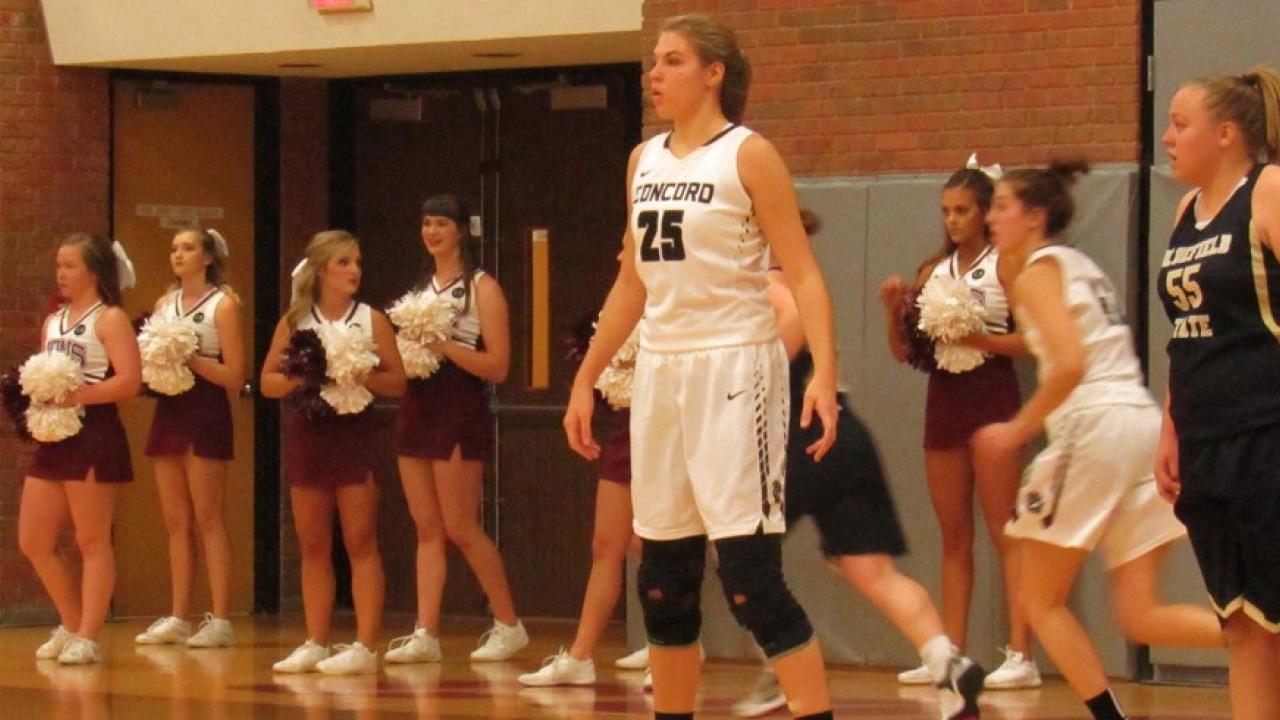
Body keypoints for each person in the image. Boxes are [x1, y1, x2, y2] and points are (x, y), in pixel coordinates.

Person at [563, 13, 840, 720]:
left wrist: (825, 375)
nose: (654, 74)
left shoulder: (749, 154)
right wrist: (586, 377)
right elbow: (632, 282)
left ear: (714, 73)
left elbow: (805, 274)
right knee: (662, 580)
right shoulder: (643, 160)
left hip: (735, 368)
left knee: (750, 582)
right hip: (661, 369)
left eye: (672, 61)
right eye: (654, 61)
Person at [976, 161, 1224, 720]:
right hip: (1139, 425)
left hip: (1093, 427)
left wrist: (1017, 427)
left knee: (1038, 600)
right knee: (1140, 616)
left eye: (1002, 205)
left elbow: (1068, 362)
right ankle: (1262, 639)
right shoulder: (1079, 265)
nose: (991, 216)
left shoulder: (1039, 271)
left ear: (1035, 216)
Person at [731, 213, 984, 720]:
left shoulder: (770, 284)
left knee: (737, 557)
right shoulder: (802, 285)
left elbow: (790, 323)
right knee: (872, 571)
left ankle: (781, 665)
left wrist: (747, 377)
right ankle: (947, 663)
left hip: (799, 438)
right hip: (847, 438)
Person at [878, 163, 1036, 689]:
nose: (952, 219)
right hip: (944, 400)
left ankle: (1022, 655)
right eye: (946, 211)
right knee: (953, 535)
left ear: (985, 213)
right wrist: (892, 311)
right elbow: (905, 354)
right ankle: (950, 654)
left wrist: (977, 339)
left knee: (1006, 530)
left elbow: (1033, 341)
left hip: (992, 396)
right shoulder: (932, 271)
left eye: (962, 210)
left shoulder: (1006, 265)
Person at [1156, 67, 1280, 720]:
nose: (1168, 138)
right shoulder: (1186, 213)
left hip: (1267, 433)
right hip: (1207, 442)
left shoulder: (1268, 191)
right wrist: (1170, 426)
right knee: (1241, 622)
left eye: (1181, 124)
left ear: (1227, 133)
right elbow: (1184, 334)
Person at [383, 194, 527, 664]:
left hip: (458, 408)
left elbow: (499, 365)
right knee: (427, 527)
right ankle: (425, 632)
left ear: (461, 230)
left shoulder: (483, 287)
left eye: (441, 223)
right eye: (426, 223)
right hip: (416, 405)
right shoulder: (419, 290)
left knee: (461, 525)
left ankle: (509, 624)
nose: (431, 231)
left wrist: (444, 346)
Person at [261, 230, 406, 675]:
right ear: (321, 269)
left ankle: (364, 645)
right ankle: (315, 641)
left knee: (360, 539)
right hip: (309, 435)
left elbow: (397, 382)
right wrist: (309, 373)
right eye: (344, 262)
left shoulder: (371, 319)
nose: (354, 270)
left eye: (357, 262)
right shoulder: (294, 322)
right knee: (312, 542)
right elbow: (267, 382)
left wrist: (357, 373)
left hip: (355, 435)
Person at [19, 233, 142, 665]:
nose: (61, 274)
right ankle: (71, 624)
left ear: (93, 271)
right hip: (54, 436)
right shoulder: (53, 321)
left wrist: (76, 396)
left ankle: (89, 635)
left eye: (69, 266)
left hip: (94, 434)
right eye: (59, 265)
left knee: (91, 539)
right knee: (33, 540)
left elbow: (129, 381)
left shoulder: (110, 319)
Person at [136, 229, 244, 649]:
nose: (178, 254)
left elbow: (234, 375)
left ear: (208, 258)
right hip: (170, 408)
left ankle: (221, 619)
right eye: (174, 249)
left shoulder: (224, 304)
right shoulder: (165, 304)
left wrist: (191, 357)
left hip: (206, 411)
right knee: (176, 520)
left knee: (208, 517)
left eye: (188, 248)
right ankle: (179, 616)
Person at [518, 315, 639, 686]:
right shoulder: (623, 306)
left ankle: (679, 642)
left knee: (673, 544)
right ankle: (580, 656)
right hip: (628, 429)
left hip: (673, 424)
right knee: (608, 544)